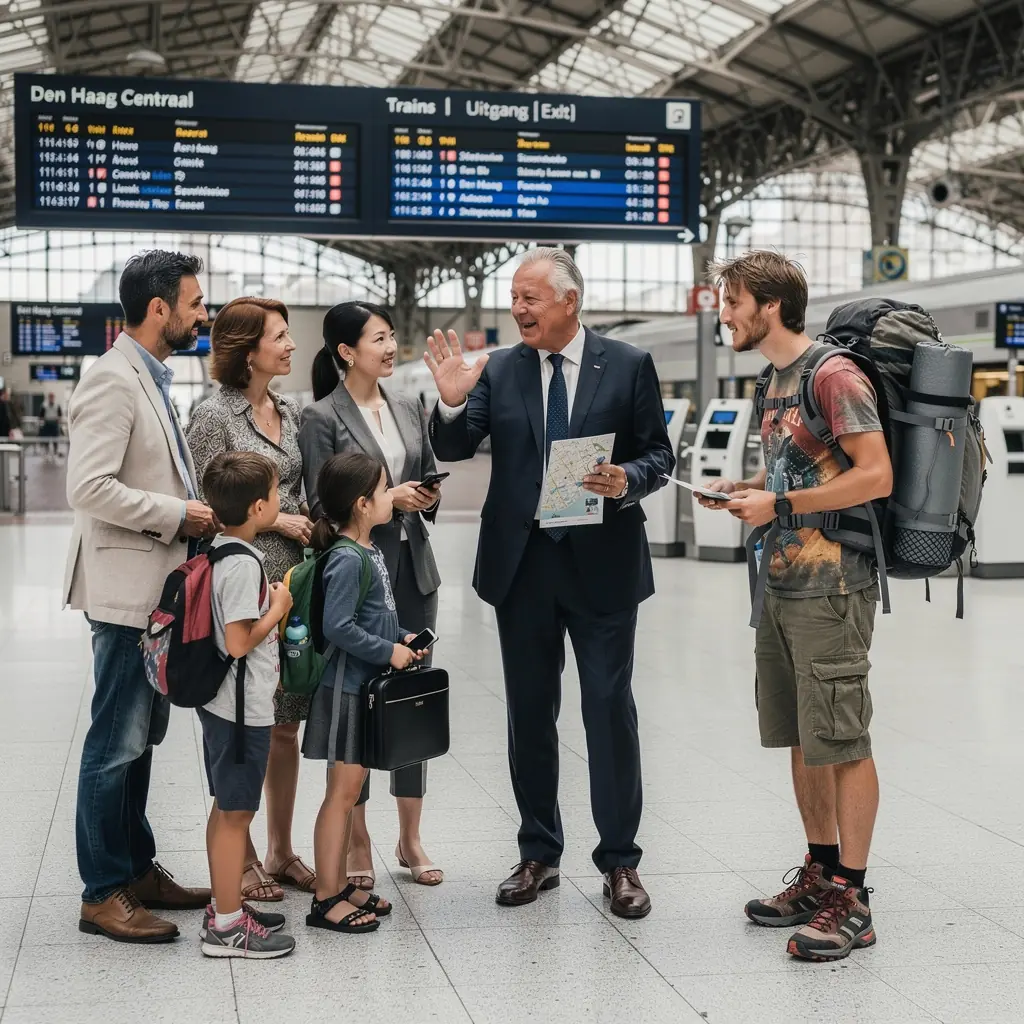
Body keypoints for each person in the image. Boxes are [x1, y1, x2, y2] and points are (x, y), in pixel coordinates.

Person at [425, 247, 674, 918]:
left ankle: (621, 863)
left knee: (607, 709)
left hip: (603, 563)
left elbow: (659, 452)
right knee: (530, 715)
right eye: (514, 296)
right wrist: (450, 406)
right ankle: (539, 851)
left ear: (570, 301)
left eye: (530, 297)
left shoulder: (626, 364)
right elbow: (453, 448)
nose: (518, 308)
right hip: (523, 566)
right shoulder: (499, 370)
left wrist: (628, 480)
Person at [698, 250, 892, 962]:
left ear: (769, 306)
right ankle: (819, 871)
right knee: (802, 734)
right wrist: (742, 489)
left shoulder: (833, 375)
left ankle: (855, 899)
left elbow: (875, 475)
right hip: (778, 583)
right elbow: (792, 469)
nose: (724, 312)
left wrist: (776, 502)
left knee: (842, 736)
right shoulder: (772, 382)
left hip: (834, 585)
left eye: (732, 301)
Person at [65, 250, 216, 943]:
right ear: (159, 309)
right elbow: (88, 487)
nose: (201, 315)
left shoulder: (149, 378)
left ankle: (134, 867)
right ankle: (102, 892)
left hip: (154, 594)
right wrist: (177, 513)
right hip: (127, 593)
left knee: (141, 741)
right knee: (114, 744)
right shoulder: (112, 380)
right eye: (194, 304)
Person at [300, 302, 444, 889]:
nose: (390, 347)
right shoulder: (321, 416)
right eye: (378, 338)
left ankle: (409, 837)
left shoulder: (409, 405)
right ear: (345, 352)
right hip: (361, 576)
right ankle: (356, 836)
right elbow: (319, 501)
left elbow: (429, 474)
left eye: (391, 336)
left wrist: (423, 497)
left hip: (411, 566)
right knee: (359, 701)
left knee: (411, 698)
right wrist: (383, 504)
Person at [187, 297, 316, 903]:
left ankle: (282, 849)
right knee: (242, 726)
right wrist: (282, 524)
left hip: (288, 590)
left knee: (284, 727)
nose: (291, 345)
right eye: (281, 336)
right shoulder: (213, 416)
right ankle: (238, 863)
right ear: (248, 348)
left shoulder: (289, 409)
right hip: (242, 587)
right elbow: (212, 508)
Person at [301, 452, 426, 933]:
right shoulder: (348, 559)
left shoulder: (369, 550)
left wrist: (402, 638)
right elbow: (337, 628)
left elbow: (375, 616)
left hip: (362, 689)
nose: (390, 495)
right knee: (341, 794)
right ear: (360, 504)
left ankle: (336, 883)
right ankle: (325, 896)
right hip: (345, 694)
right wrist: (387, 651)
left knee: (350, 792)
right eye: (382, 489)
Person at [196, 451, 296, 959]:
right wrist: (277, 608)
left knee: (226, 809)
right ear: (259, 507)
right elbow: (237, 642)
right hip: (239, 714)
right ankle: (228, 929)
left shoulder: (221, 550)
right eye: (278, 493)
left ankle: (225, 906)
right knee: (236, 814)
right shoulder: (241, 564)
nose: (282, 501)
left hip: (226, 706)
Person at [40, 391, 62, 460]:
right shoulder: (44, 405)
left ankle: (55, 453)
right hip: (47, 424)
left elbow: (60, 415)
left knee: (55, 439)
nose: (51, 398)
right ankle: (47, 452)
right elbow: (41, 415)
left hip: (54, 424)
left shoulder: (57, 405)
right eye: (50, 397)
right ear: (48, 397)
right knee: (46, 439)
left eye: (52, 397)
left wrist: (58, 420)